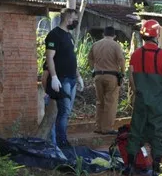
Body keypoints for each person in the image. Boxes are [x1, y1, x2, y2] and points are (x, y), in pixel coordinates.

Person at [124, 19, 162, 176]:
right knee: (158, 132)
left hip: (141, 100)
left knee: (136, 131)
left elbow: (131, 79)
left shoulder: (135, 55)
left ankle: (129, 167)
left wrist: (138, 94)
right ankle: (156, 169)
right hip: (157, 103)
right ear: (157, 35)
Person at [45, 8, 82, 147]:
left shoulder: (69, 36)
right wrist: (54, 77)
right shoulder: (54, 35)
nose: (76, 22)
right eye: (75, 18)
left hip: (71, 78)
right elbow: (49, 57)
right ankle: (61, 141)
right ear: (67, 18)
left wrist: (78, 76)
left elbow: (71, 58)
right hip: (62, 79)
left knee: (67, 112)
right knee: (64, 111)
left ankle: (61, 139)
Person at [88, 26, 126, 135]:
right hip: (111, 76)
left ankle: (98, 127)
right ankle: (107, 128)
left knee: (100, 102)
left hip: (98, 76)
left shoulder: (96, 44)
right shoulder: (115, 45)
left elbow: (90, 58)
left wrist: (93, 69)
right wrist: (122, 73)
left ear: (103, 34)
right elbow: (121, 60)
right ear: (114, 35)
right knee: (111, 102)